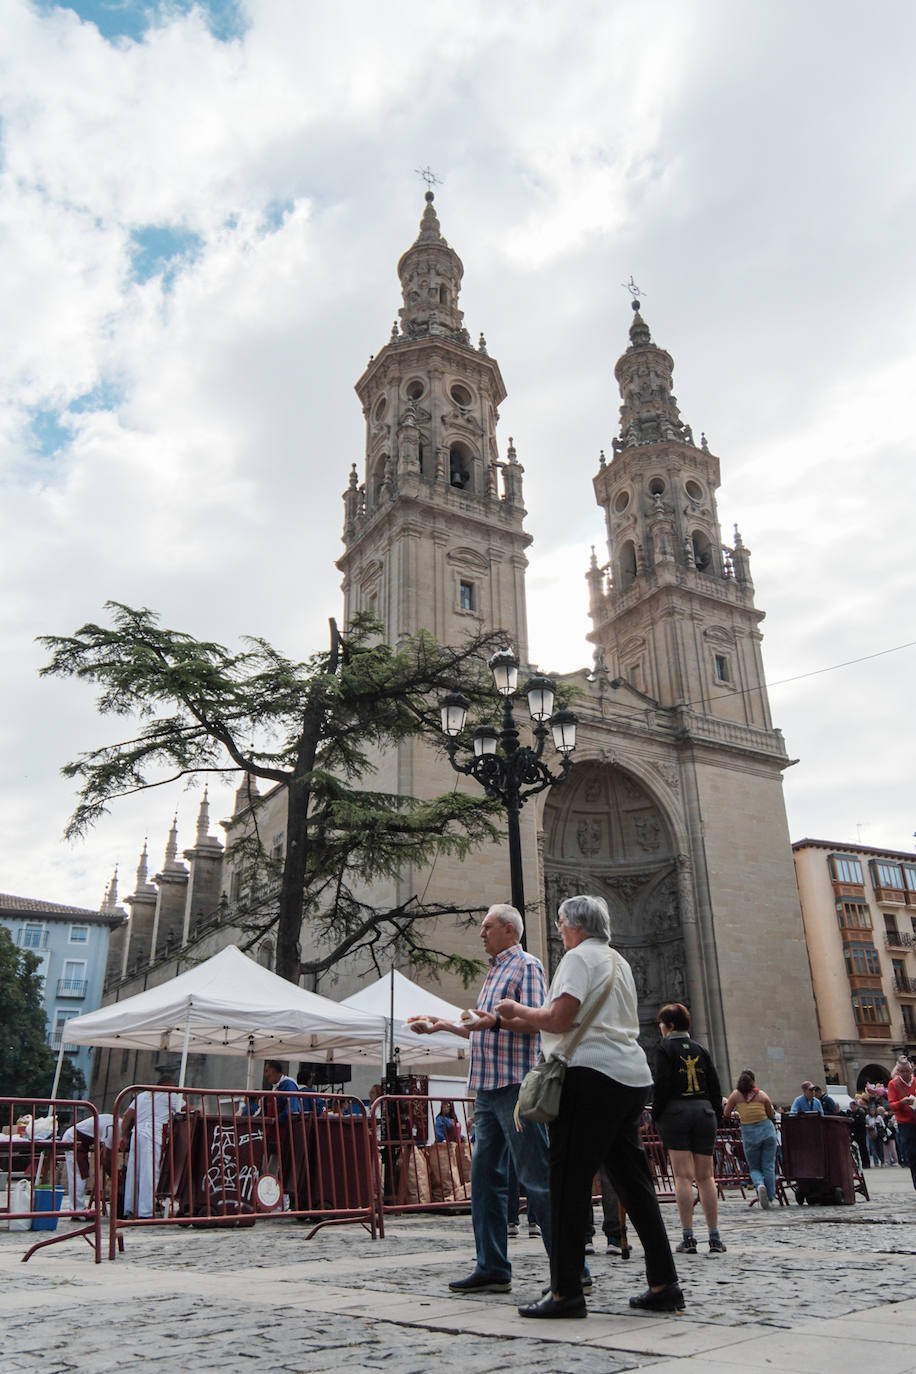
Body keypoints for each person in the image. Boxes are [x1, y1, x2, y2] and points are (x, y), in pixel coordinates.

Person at [495, 894, 682, 1319]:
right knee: (635, 1185)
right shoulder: (619, 962)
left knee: (566, 1183)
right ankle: (664, 1283)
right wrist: (504, 1019)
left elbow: (559, 1020)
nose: (559, 931)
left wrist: (517, 1008)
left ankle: (565, 1293)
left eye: (561, 923)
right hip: (630, 1078)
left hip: (589, 1077)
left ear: (575, 925)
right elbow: (574, 1018)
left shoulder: (577, 960)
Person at [414, 903, 551, 1294]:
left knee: (536, 1178)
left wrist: (495, 1020)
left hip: (514, 1088)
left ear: (510, 929)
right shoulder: (494, 971)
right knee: (485, 1180)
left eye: (487, 926)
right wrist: (443, 1025)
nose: (480, 933)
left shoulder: (526, 965)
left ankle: (572, 1268)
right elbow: (484, 1029)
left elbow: (536, 1023)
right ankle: (491, 1267)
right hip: (487, 1092)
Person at [653, 1003, 725, 1255]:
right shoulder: (701, 1049)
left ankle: (688, 1236)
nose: (660, 1027)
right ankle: (714, 1236)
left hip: (676, 1112)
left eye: (662, 1023)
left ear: (670, 1025)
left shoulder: (664, 1049)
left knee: (682, 1177)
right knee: (706, 1177)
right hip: (704, 1112)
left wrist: (657, 1115)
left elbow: (661, 1085)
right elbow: (715, 1087)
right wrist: (715, 1114)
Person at [121, 1072, 182, 1219]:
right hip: (152, 1132)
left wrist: (123, 1135)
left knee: (134, 1171)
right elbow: (188, 1109)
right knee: (149, 1171)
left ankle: (131, 1208)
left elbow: (127, 1115)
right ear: (167, 1086)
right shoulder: (169, 1095)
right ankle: (146, 1211)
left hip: (137, 1132)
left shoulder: (142, 1095)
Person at [723, 1069, 778, 1209]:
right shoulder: (762, 1095)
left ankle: (759, 1185)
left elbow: (726, 1113)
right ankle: (771, 1197)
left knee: (754, 1167)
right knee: (769, 1166)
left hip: (749, 1132)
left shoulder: (735, 1095)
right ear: (753, 1081)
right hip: (766, 1131)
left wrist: (739, 1115)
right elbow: (770, 1114)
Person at [60, 1113, 114, 1213]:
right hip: (74, 1139)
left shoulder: (113, 1123)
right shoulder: (113, 1128)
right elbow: (107, 1156)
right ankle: (77, 1210)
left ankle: (78, 1208)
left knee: (81, 1173)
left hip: (80, 1140)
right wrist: (113, 1175)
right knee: (78, 1174)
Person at [886, 1057, 916, 1191]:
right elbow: (891, 1105)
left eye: (907, 1071)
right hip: (906, 1124)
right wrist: (902, 1102)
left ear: (912, 1069)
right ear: (898, 1072)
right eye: (902, 1071)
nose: (905, 1074)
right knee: (913, 1155)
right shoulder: (893, 1084)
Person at [864, 1101, 885, 1167]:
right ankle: (876, 1162)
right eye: (871, 1110)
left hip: (878, 1134)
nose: (872, 1112)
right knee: (873, 1149)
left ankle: (882, 1161)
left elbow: (883, 1125)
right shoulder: (867, 1117)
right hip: (871, 1134)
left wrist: (878, 1125)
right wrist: (868, 1126)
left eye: (873, 1110)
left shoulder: (879, 1117)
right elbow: (865, 1124)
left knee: (880, 1148)